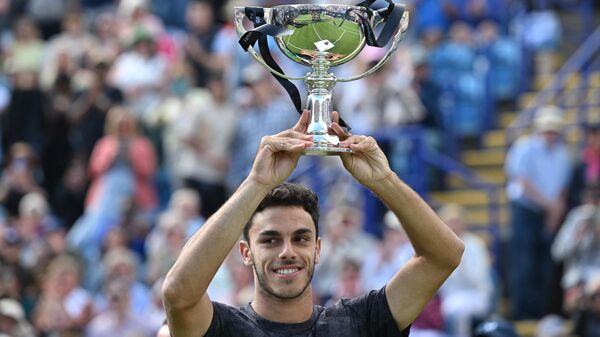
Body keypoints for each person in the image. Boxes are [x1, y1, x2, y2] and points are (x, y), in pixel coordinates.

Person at [162, 110, 465, 336]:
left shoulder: (361, 322)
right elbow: (178, 293)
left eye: (301, 238)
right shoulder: (222, 328)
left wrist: (383, 180)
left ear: (318, 249)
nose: (287, 251)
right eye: (269, 239)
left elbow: (444, 256)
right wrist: (256, 183)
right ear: (245, 252)